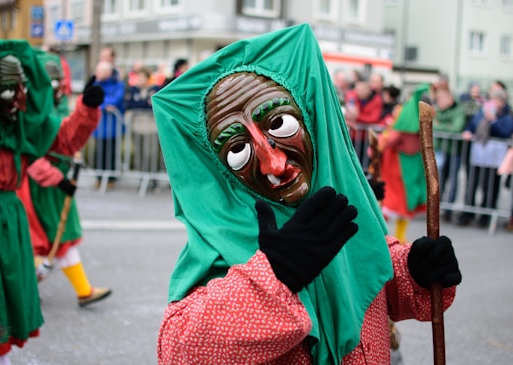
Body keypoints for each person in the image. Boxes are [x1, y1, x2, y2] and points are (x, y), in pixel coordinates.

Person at [152, 24, 461, 365]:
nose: (274, 163)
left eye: (280, 124)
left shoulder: (335, 210)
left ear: (311, 122)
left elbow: (373, 276)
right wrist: (275, 276)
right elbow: (179, 352)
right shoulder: (223, 247)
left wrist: (414, 270)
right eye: (238, 148)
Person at [0, 40, 103, 364]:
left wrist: (86, 108)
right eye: (8, 90)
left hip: (7, 221)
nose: (17, 99)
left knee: (5, 302)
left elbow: (61, 139)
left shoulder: (20, 126)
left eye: (21, 89)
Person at [15, 51, 111, 307]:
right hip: (27, 188)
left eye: (59, 83)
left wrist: (87, 108)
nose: (56, 89)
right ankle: (22, 289)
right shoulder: (18, 112)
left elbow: (67, 137)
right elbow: (23, 153)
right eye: (51, 84)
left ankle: (82, 290)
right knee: (30, 240)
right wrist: (55, 178)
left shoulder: (46, 112)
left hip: (49, 187)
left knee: (61, 238)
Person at [378, 84, 429, 243]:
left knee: (393, 200)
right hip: (411, 164)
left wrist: (380, 143)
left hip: (399, 165)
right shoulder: (417, 122)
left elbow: (389, 141)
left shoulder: (406, 122)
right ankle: (398, 235)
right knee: (403, 202)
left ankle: (386, 234)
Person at [457, 87, 513, 227]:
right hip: (478, 156)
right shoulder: (481, 112)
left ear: (502, 102)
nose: (494, 102)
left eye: (497, 100)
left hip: (494, 159)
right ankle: (467, 214)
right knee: (472, 185)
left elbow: (505, 131)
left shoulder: (506, 117)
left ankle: (486, 216)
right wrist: (468, 131)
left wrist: (493, 120)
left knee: (490, 187)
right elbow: (471, 125)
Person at [432, 88, 467, 222]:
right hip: (441, 149)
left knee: (453, 180)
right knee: (438, 180)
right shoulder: (439, 110)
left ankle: (449, 209)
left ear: (449, 99)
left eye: (440, 99)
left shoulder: (459, 110)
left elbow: (457, 128)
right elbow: (433, 124)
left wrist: (441, 125)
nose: (438, 102)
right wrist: (446, 125)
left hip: (454, 152)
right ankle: (436, 208)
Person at [91, 60, 125, 189]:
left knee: (111, 152)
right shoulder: (95, 83)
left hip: (113, 125)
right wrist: (105, 105)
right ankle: (99, 178)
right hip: (99, 125)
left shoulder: (118, 83)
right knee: (99, 151)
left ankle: (110, 179)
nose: (97, 73)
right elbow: (92, 98)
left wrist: (102, 104)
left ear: (108, 72)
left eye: (100, 71)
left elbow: (116, 99)